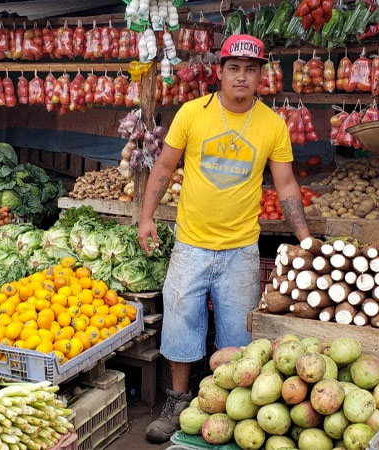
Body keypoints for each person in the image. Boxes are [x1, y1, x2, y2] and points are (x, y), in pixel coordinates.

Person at [139, 34, 312, 442]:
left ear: (260, 77)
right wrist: (146, 217)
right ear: (219, 72)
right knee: (180, 324)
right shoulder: (191, 114)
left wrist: (305, 238)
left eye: (250, 70)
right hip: (192, 243)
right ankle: (178, 401)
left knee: (237, 337)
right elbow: (163, 166)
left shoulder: (272, 124)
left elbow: (286, 185)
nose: (241, 77)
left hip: (241, 250)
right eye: (234, 68)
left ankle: (229, 409)